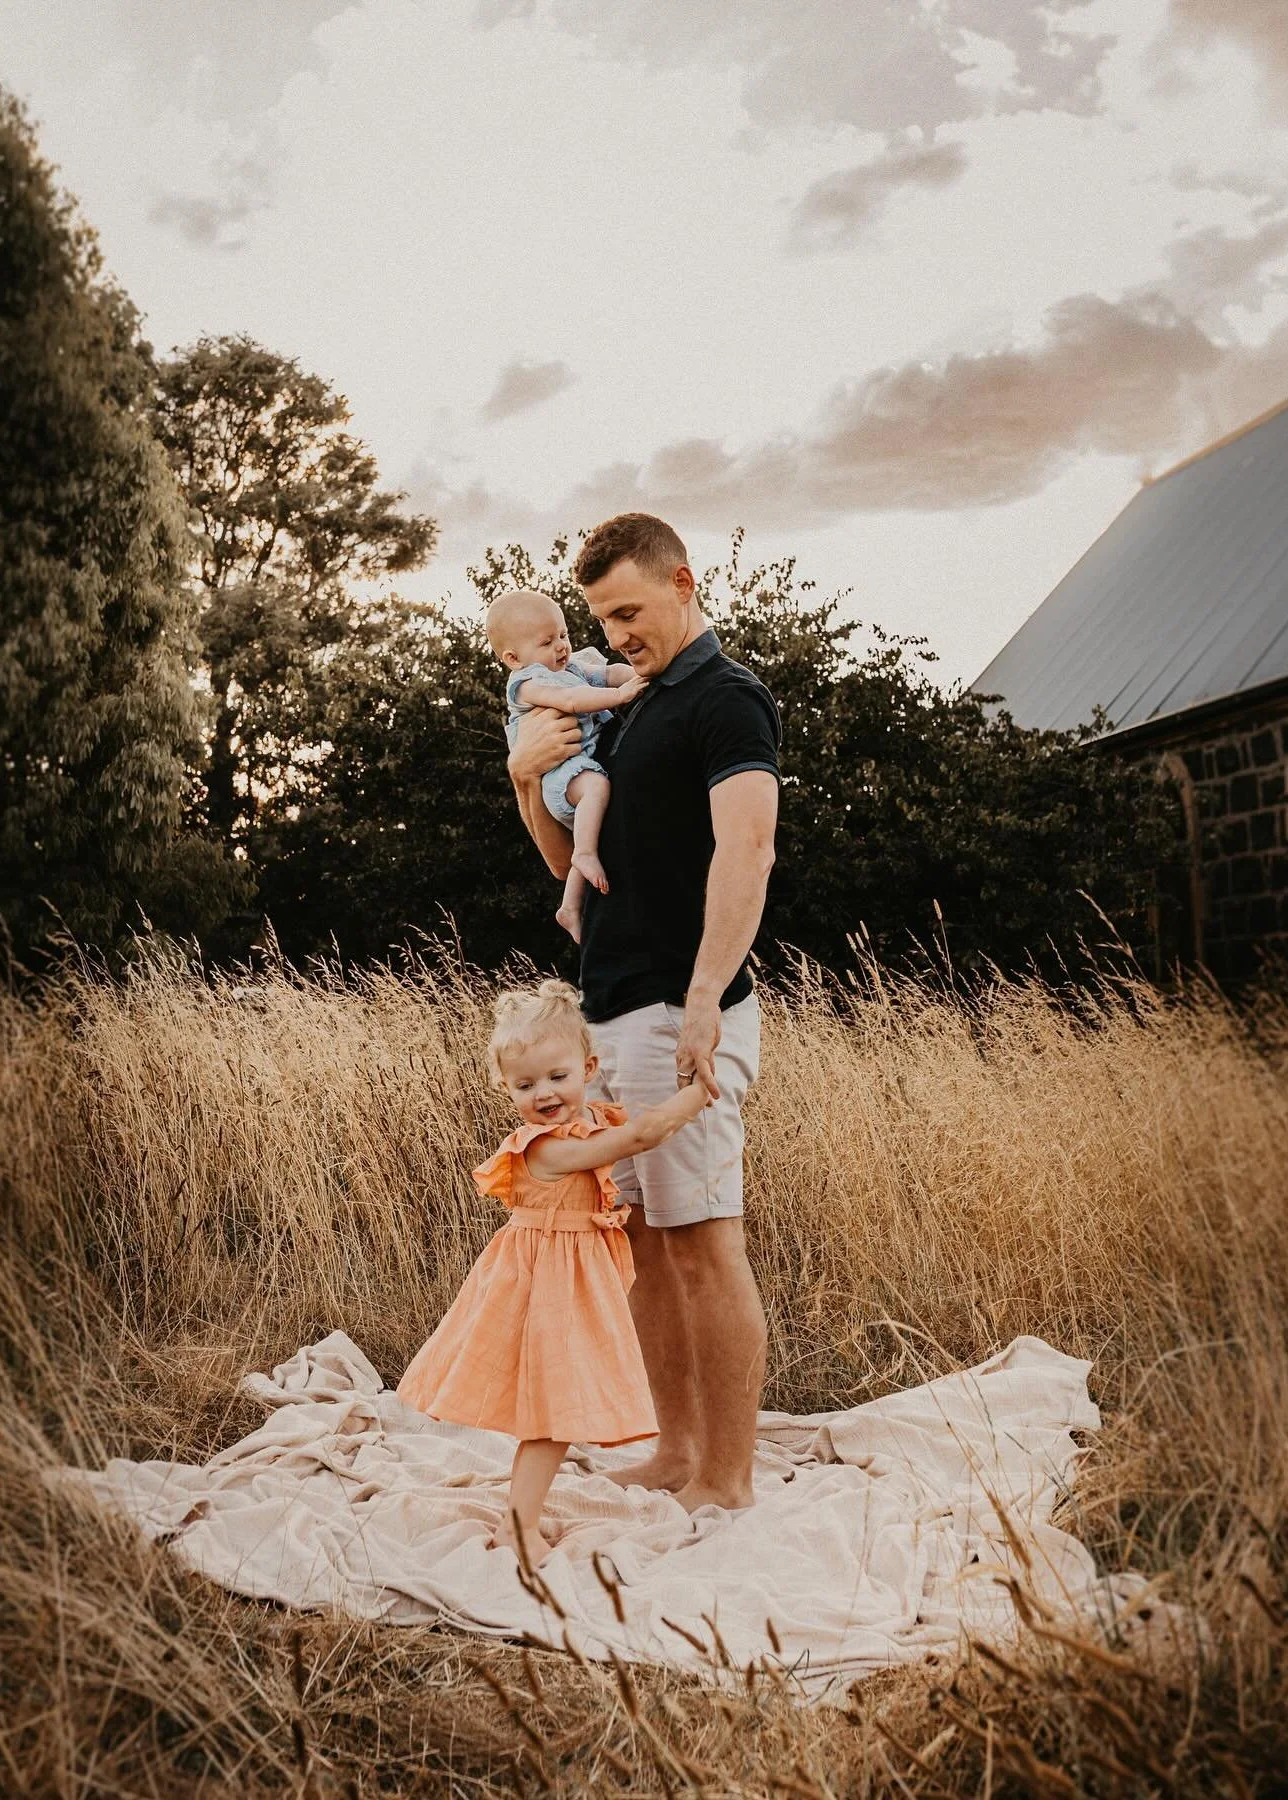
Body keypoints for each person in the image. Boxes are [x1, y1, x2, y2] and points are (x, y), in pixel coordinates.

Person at [507, 514, 780, 1515]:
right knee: (651, 1246)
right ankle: (675, 1453)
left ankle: (728, 1479)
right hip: (611, 1010)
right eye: (602, 618)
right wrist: (525, 782)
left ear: (682, 581)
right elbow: (566, 864)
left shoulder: (727, 700)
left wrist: (706, 997)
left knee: (706, 1243)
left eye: (629, 610)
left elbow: (748, 854)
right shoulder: (627, 710)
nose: (617, 633)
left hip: (682, 1006)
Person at [396, 979, 710, 1567]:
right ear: (505, 1088)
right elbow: (641, 1135)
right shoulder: (544, 1148)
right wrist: (698, 1093)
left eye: (557, 1077)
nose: (544, 1093)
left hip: (568, 1280)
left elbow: (620, 1128)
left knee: (555, 1408)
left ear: (588, 1068)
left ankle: (523, 1516)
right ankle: (517, 1527)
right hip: (544, 1285)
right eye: (525, 1084)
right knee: (551, 1411)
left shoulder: (585, 1120)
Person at [486, 587, 646, 941]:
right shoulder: (529, 682)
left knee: (596, 820)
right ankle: (585, 857)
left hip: (579, 768)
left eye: (563, 634)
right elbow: (572, 699)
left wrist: (638, 676)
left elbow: (609, 673)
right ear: (513, 658)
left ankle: (571, 907)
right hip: (561, 776)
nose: (560, 646)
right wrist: (620, 696)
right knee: (597, 790)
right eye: (546, 642)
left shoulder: (569, 666)